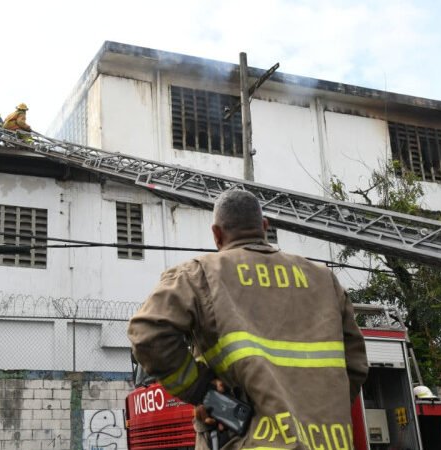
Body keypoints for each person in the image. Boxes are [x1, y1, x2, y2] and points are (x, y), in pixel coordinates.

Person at [128, 190, 368, 450]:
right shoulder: (324, 280)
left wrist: (200, 390)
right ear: (264, 227)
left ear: (217, 234)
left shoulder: (199, 274)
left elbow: (147, 333)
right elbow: (355, 366)